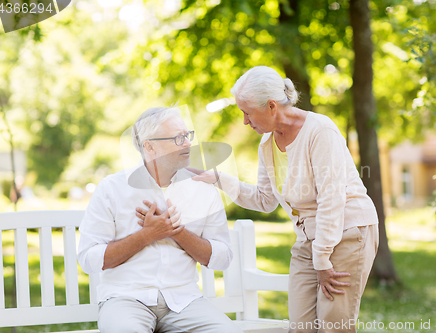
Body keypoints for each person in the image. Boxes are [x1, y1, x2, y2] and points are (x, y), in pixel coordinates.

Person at [189, 66, 379, 333]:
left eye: (247, 112)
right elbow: (265, 200)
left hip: (347, 232)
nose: (245, 121)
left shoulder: (320, 131)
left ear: (271, 106)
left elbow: (331, 198)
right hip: (308, 241)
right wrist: (219, 179)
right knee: (300, 328)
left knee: (333, 326)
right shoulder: (267, 143)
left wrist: (322, 259)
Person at [77, 106, 243, 333]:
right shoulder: (112, 188)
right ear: (149, 146)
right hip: (126, 299)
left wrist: (176, 231)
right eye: (177, 138)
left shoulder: (203, 190)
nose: (187, 144)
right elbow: (89, 258)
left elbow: (222, 258)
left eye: (187, 135)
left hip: (184, 301)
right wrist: (147, 235)